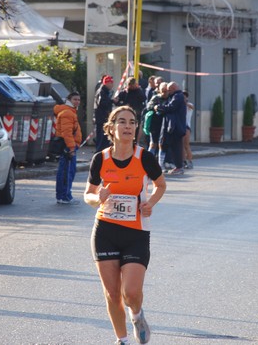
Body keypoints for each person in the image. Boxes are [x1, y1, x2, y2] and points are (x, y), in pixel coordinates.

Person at [84, 106, 166, 345]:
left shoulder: (145, 158)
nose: (128, 126)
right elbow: (87, 194)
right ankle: (122, 340)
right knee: (111, 293)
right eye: (122, 122)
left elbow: (161, 185)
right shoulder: (101, 159)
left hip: (136, 233)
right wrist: (98, 197)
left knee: (130, 293)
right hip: (105, 231)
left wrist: (150, 202)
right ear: (111, 128)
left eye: (132, 122)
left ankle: (137, 315)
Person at [54, 91, 83, 205]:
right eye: (75, 99)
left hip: (68, 146)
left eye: (79, 100)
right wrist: (71, 148)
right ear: (69, 100)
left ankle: (64, 195)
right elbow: (67, 133)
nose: (77, 101)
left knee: (66, 171)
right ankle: (64, 196)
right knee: (67, 172)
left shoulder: (69, 111)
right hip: (68, 147)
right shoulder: (68, 113)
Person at [155, 82, 187, 175]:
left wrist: (159, 107)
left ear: (173, 89)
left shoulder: (178, 96)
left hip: (176, 127)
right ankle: (176, 166)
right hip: (174, 126)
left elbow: (171, 107)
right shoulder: (175, 96)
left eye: (169, 90)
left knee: (176, 147)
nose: (168, 92)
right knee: (172, 147)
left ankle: (179, 167)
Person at [116, 77, 146, 144]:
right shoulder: (124, 92)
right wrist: (124, 104)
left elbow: (143, 99)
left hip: (136, 114)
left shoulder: (139, 91)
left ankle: (135, 142)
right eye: (130, 85)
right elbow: (117, 101)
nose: (132, 86)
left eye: (133, 85)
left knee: (135, 129)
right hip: (125, 114)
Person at [145, 82, 168, 156]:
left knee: (163, 143)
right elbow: (148, 106)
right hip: (155, 123)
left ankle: (162, 161)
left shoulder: (170, 99)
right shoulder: (156, 97)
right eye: (163, 91)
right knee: (153, 143)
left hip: (165, 124)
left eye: (166, 91)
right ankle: (149, 159)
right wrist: (155, 107)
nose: (164, 93)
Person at [94, 75, 115, 152]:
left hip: (103, 118)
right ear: (107, 83)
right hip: (102, 118)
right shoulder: (102, 92)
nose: (112, 85)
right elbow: (101, 103)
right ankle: (99, 153)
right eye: (111, 83)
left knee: (104, 138)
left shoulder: (105, 92)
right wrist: (112, 101)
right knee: (102, 138)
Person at [182, 91, 194, 169]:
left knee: (186, 145)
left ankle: (190, 161)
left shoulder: (189, 105)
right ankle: (183, 161)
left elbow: (191, 107)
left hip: (186, 127)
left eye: (184, 97)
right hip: (180, 126)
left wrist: (185, 102)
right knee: (181, 145)